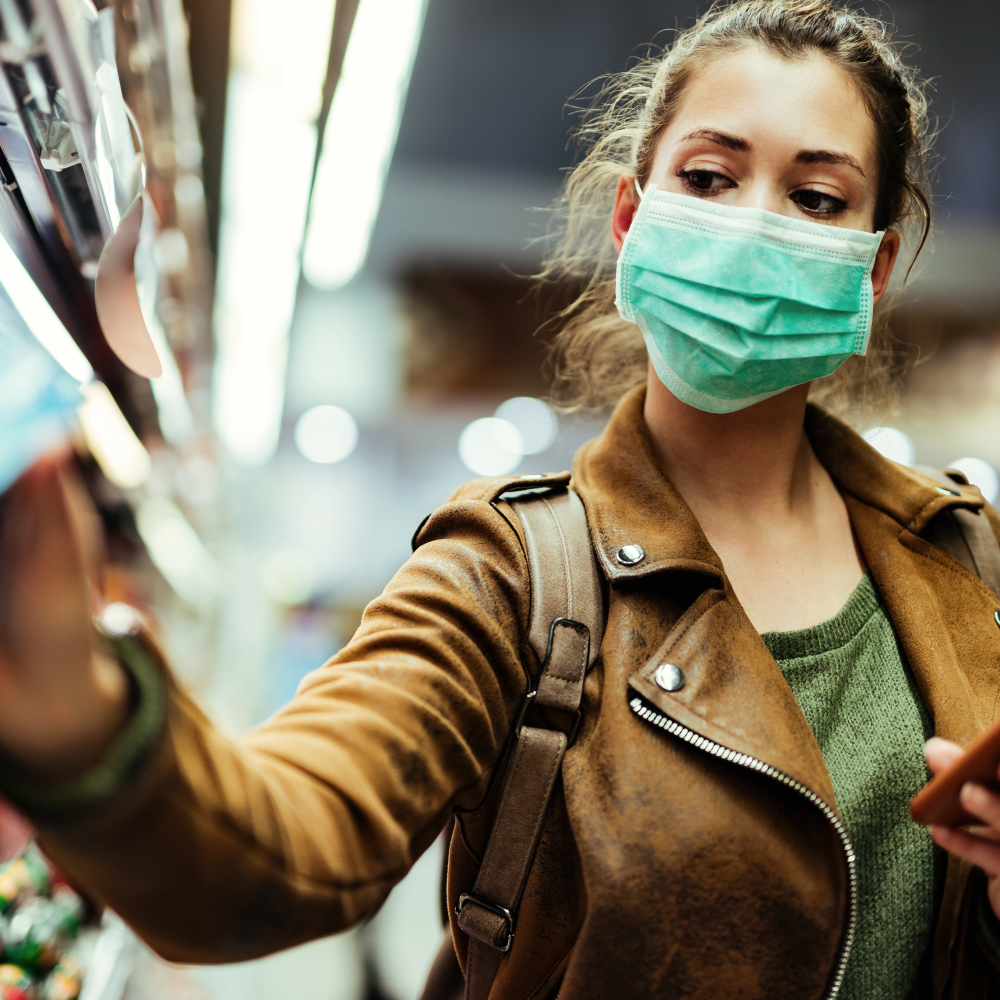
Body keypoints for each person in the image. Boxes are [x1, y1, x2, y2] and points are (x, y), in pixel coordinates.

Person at [0, 1, 998, 998]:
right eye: (706, 177)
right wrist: (83, 720)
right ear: (628, 218)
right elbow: (289, 840)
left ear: (870, 270)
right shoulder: (513, 572)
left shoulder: (965, 560)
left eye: (817, 198)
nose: (752, 224)